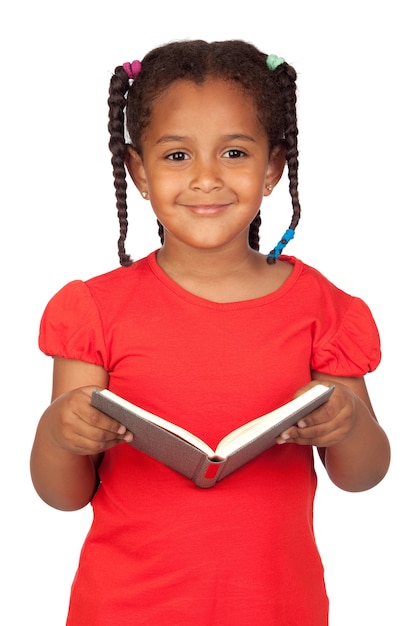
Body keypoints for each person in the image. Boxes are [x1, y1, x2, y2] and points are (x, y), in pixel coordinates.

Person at [30, 39, 390, 625]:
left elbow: (363, 475)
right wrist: (58, 431)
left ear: (272, 167)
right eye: (176, 156)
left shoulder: (323, 307)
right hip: (124, 610)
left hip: (277, 609)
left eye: (234, 153)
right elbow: (63, 495)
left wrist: (346, 423)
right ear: (139, 171)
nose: (205, 179)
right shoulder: (94, 310)